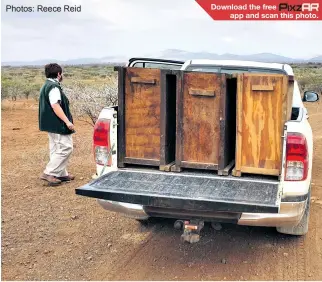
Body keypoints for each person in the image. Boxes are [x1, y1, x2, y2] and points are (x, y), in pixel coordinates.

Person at [39, 63, 75, 186]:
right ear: (59, 74)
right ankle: (49, 172)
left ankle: (61, 174)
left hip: (50, 124)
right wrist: (67, 121)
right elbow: (55, 105)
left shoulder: (46, 85)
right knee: (66, 148)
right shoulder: (54, 87)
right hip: (57, 124)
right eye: (62, 73)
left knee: (56, 148)